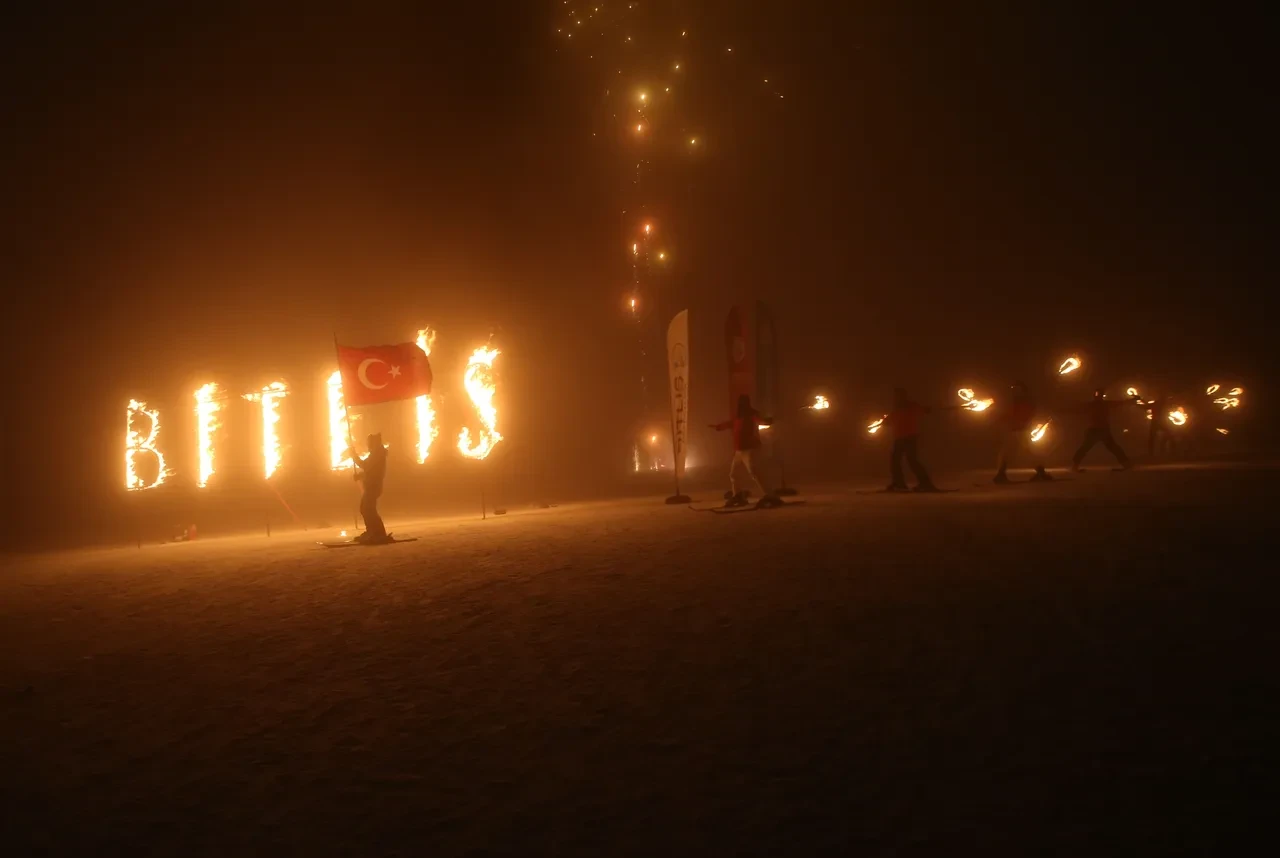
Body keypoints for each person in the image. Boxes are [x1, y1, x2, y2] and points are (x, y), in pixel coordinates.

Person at [710, 394, 772, 505]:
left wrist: (766, 421)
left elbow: (760, 420)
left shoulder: (752, 414)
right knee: (734, 474)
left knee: (754, 472)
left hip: (749, 449)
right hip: (739, 450)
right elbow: (730, 423)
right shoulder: (739, 416)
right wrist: (718, 427)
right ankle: (737, 495)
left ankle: (769, 494)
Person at [884, 387, 942, 492]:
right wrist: (885, 421)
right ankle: (899, 483)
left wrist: (926, 409)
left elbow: (921, 410)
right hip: (899, 437)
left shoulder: (911, 406)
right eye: (896, 396)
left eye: (898, 395)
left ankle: (925, 483)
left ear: (903, 396)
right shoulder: (897, 408)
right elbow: (891, 419)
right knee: (896, 460)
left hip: (909, 437)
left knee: (912, 460)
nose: (896, 398)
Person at [994, 381, 1052, 483]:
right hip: (1015, 431)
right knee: (1007, 453)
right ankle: (1001, 474)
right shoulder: (1013, 402)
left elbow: (1028, 414)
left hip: (1022, 431)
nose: (1015, 391)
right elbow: (1008, 415)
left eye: (1018, 389)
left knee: (1030, 453)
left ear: (1023, 391)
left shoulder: (1026, 402)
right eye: (1014, 389)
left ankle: (1040, 473)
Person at [1071, 390, 1135, 471]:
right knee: (1111, 447)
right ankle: (1126, 463)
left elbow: (1119, 403)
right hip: (1098, 429)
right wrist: (1132, 400)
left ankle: (1075, 465)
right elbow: (1119, 403)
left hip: (1099, 429)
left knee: (1087, 447)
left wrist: (1131, 400)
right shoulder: (1098, 404)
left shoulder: (1098, 404)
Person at [349, 432, 390, 543]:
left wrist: (354, 455)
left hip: (374, 486)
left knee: (369, 509)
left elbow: (365, 466)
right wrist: (360, 476)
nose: (367, 445)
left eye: (369, 443)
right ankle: (371, 531)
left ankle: (378, 533)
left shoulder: (377, 454)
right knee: (365, 509)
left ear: (374, 443)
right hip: (371, 485)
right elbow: (370, 470)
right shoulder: (375, 454)